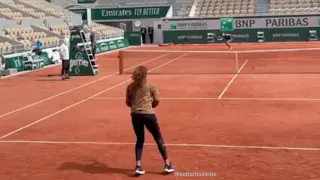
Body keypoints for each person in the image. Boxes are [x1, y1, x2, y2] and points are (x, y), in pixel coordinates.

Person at [125, 65, 175, 175]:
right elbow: (157, 100)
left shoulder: (130, 87)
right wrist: (150, 106)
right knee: (158, 137)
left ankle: (138, 166)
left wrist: (136, 106)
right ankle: (167, 164)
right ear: (145, 75)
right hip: (148, 115)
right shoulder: (151, 86)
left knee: (140, 139)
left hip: (135, 115)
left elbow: (128, 102)